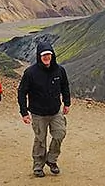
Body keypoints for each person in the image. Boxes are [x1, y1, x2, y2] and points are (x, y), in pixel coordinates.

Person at [18, 42, 71, 177]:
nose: (46, 57)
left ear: (52, 55)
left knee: (60, 133)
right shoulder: (30, 73)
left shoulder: (60, 70)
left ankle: (51, 159)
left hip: (55, 111)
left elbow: (65, 86)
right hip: (38, 113)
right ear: (39, 56)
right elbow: (22, 92)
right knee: (40, 139)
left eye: (48, 54)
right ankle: (38, 165)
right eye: (43, 55)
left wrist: (67, 103)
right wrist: (24, 112)